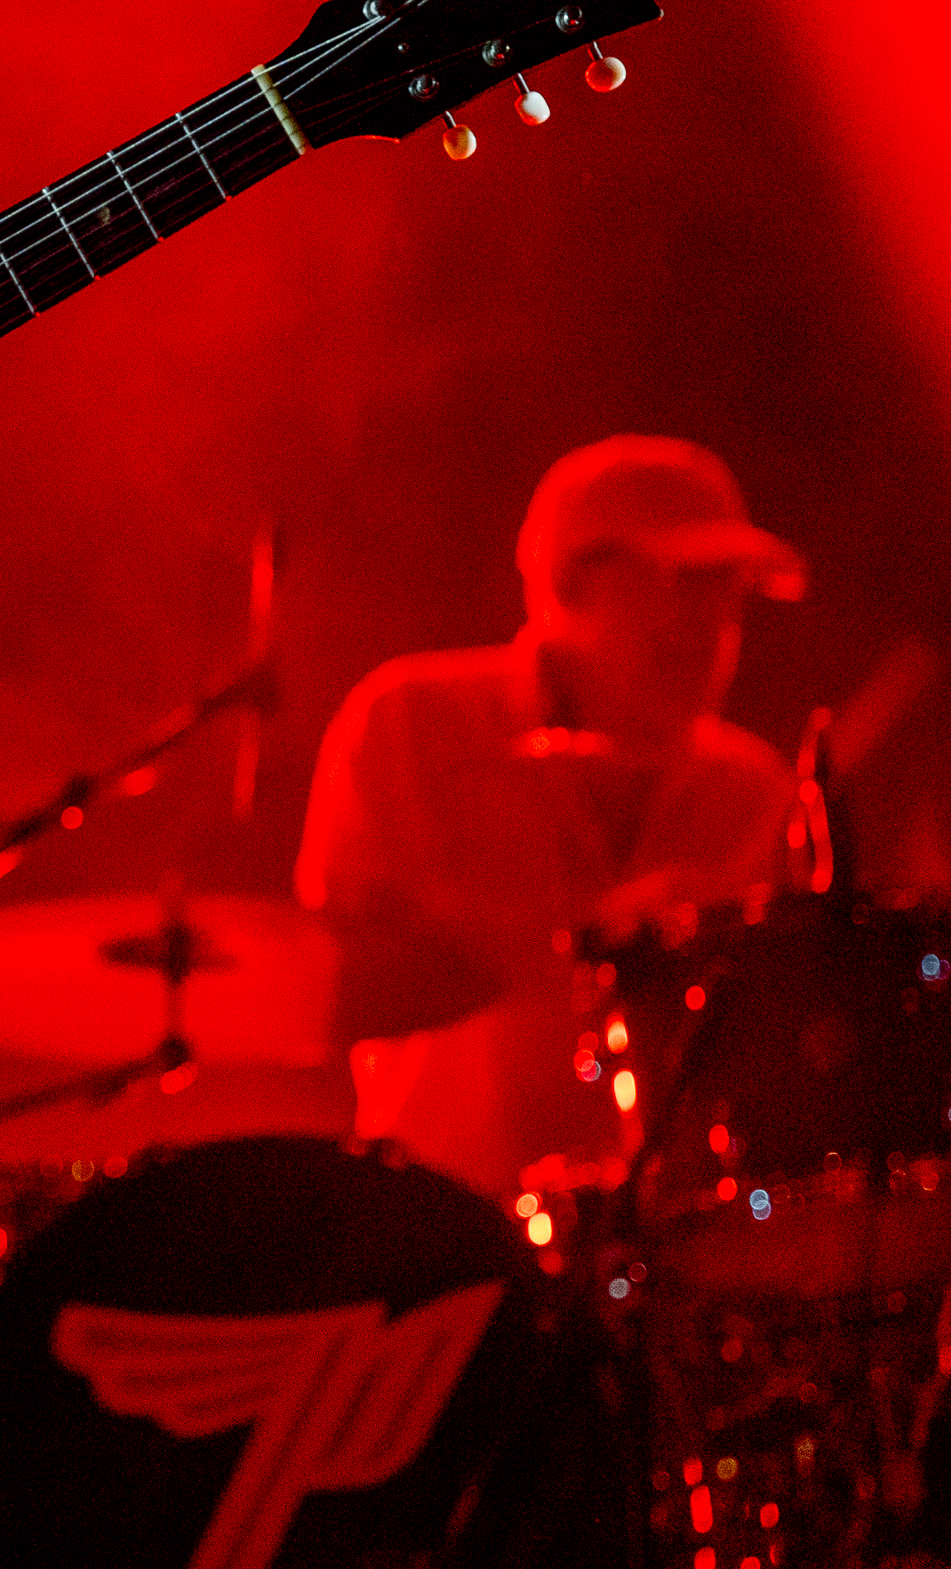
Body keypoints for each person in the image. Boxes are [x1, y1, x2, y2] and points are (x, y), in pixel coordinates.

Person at [294, 435, 805, 1201]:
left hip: (678, 1240)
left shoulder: (756, 789)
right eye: (682, 581)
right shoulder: (408, 728)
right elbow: (331, 983)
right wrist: (590, 943)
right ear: (569, 587)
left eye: (729, 589)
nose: (711, 622)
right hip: (441, 1218)